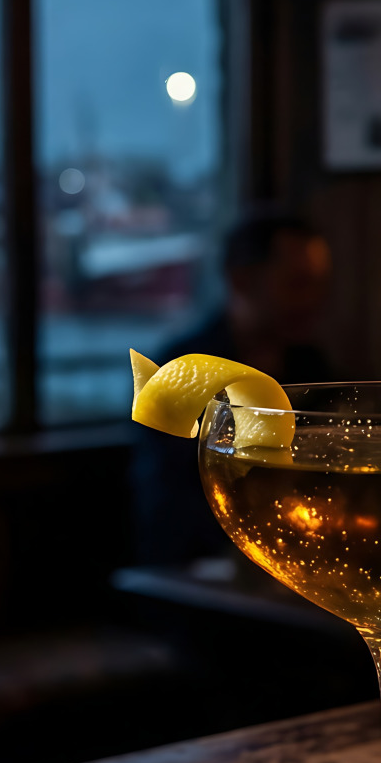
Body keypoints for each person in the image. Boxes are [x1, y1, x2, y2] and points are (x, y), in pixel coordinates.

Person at [131, 205, 335, 564]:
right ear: (242, 281)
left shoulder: (313, 366)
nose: (314, 301)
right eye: (298, 284)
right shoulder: (180, 375)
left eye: (319, 284)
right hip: (195, 573)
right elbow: (171, 502)